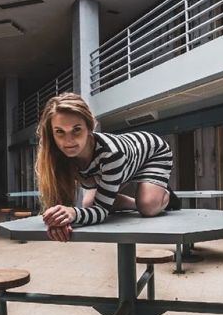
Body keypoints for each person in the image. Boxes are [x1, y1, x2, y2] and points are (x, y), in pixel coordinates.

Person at [35, 92, 180, 241]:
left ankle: (164, 195)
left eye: (76, 129)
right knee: (88, 204)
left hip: (151, 152)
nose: (69, 141)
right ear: (51, 134)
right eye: (59, 132)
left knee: (148, 207)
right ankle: (137, 202)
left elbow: (100, 212)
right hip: (121, 165)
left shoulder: (111, 154)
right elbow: (61, 206)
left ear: (89, 127)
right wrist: (59, 218)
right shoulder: (55, 155)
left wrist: (72, 214)